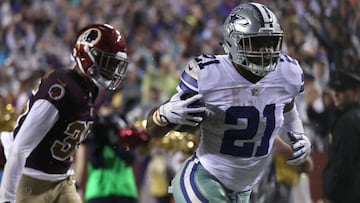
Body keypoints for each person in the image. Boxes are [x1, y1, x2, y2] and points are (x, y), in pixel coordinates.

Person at [145, 2, 312, 203]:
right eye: (257, 43)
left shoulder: (287, 73)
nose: (266, 50)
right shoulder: (208, 75)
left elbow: (288, 110)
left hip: (243, 191)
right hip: (203, 177)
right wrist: (162, 115)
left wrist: (299, 134)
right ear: (235, 42)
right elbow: (153, 129)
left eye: (270, 42)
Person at [0, 23, 129, 203]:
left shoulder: (96, 93)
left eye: (115, 64)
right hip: (31, 175)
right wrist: (7, 199)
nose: (113, 70)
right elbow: (20, 147)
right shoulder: (61, 87)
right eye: (108, 62)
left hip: (62, 179)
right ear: (88, 56)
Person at [322, 70, 360, 203]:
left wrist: (331, 193)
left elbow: (343, 163)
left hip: (346, 195)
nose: (336, 94)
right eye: (335, 90)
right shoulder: (352, 117)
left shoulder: (347, 121)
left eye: (342, 90)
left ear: (354, 93)